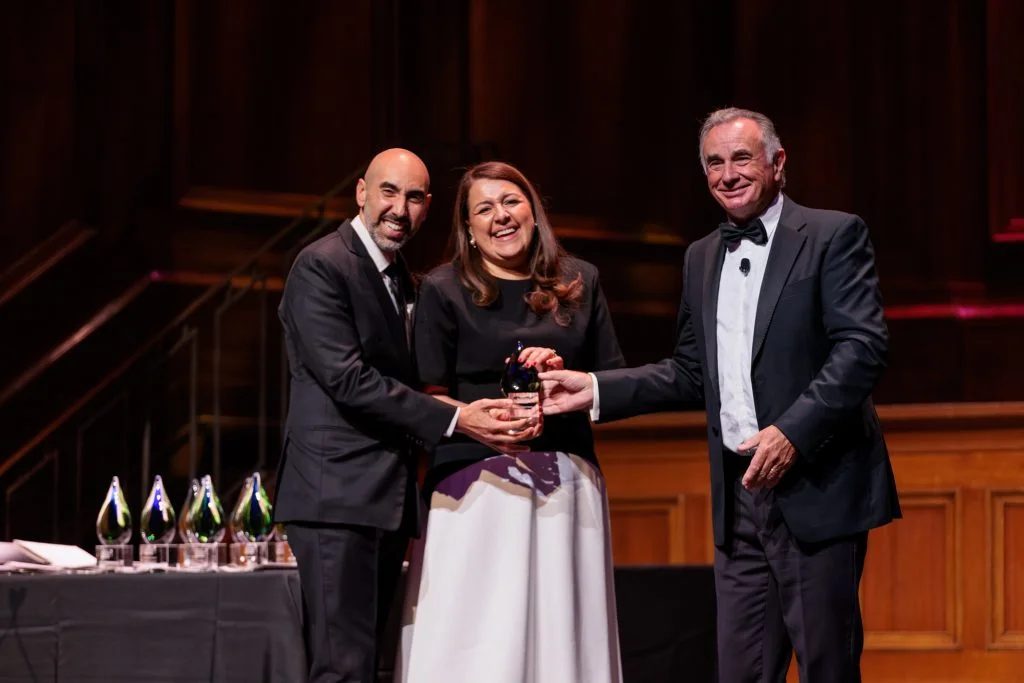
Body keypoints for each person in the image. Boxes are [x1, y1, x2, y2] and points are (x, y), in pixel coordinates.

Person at [540, 108, 902, 682]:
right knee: (741, 671)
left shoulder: (833, 234)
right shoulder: (700, 256)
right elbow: (689, 372)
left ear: (777, 163)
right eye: (714, 162)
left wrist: (792, 433)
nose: (728, 173)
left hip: (815, 486)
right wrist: (593, 387)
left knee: (827, 667)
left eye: (741, 158)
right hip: (739, 499)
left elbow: (861, 348)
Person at [275, 148, 536, 683]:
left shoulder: (404, 280)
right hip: (336, 498)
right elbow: (348, 380)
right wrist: (459, 419)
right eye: (389, 192)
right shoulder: (322, 265)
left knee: (370, 664)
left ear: (428, 206)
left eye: (414, 197)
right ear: (361, 193)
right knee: (342, 665)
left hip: (386, 499)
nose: (400, 208)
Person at [394, 161, 626, 683]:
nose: (501, 216)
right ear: (469, 229)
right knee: (478, 633)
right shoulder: (441, 289)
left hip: (566, 483)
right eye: (484, 208)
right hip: (474, 485)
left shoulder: (579, 280)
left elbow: (611, 380)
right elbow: (426, 393)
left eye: (511, 201)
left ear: (533, 211)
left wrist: (567, 374)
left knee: (563, 632)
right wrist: (474, 419)